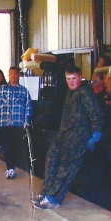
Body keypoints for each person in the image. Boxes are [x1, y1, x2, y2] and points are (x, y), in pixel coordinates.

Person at [34, 65, 104, 209]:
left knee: (66, 169)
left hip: (78, 138)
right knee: (51, 159)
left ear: (80, 77)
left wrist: (96, 133)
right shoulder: (70, 92)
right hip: (63, 134)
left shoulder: (85, 93)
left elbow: (96, 114)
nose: (71, 82)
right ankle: (47, 191)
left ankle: (53, 198)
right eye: (68, 79)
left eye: (74, 78)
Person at [0, 66, 33, 179]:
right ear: (8, 75)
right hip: (4, 123)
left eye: (15, 74)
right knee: (7, 145)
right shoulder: (1, 90)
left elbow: (28, 107)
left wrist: (26, 121)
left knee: (15, 146)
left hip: (18, 124)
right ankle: (10, 169)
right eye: (11, 74)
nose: (13, 76)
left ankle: (12, 166)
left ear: (18, 75)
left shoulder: (24, 91)